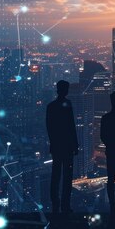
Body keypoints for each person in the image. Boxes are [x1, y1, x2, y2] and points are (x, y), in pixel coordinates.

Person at [46, 80, 78, 214]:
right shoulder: (67, 105)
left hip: (57, 146)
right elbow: (71, 126)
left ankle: (56, 204)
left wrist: (53, 143)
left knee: (56, 175)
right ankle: (65, 205)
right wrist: (75, 144)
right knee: (67, 175)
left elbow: (49, 127)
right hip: (67, 146)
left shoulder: (51, 106)